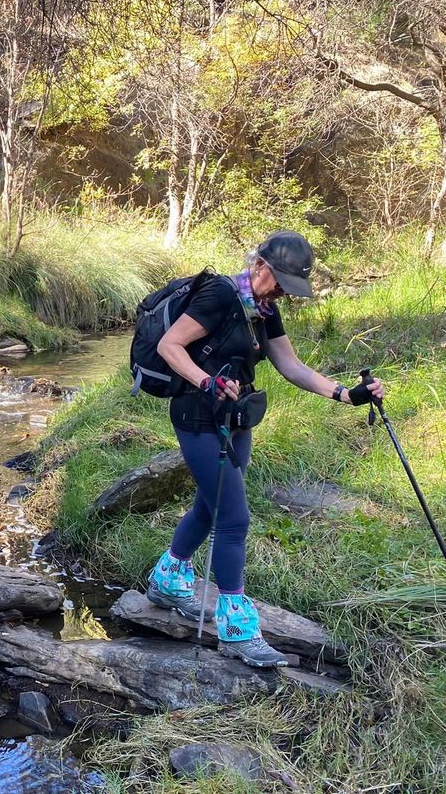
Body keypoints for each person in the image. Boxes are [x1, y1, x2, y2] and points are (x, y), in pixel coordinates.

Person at [148, 230, 384, 668]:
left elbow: (290, 365)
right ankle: (237, 628)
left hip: (236, 417)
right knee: (234, 518)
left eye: (287, 288)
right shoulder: (220, 295)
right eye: (278, 281)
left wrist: (345, 395)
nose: (280, 292)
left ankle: (166, 578)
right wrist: (206, 380)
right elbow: (169, 346)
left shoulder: (263, 309)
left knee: (211, 503)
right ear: (258, 265)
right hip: (198, 415)